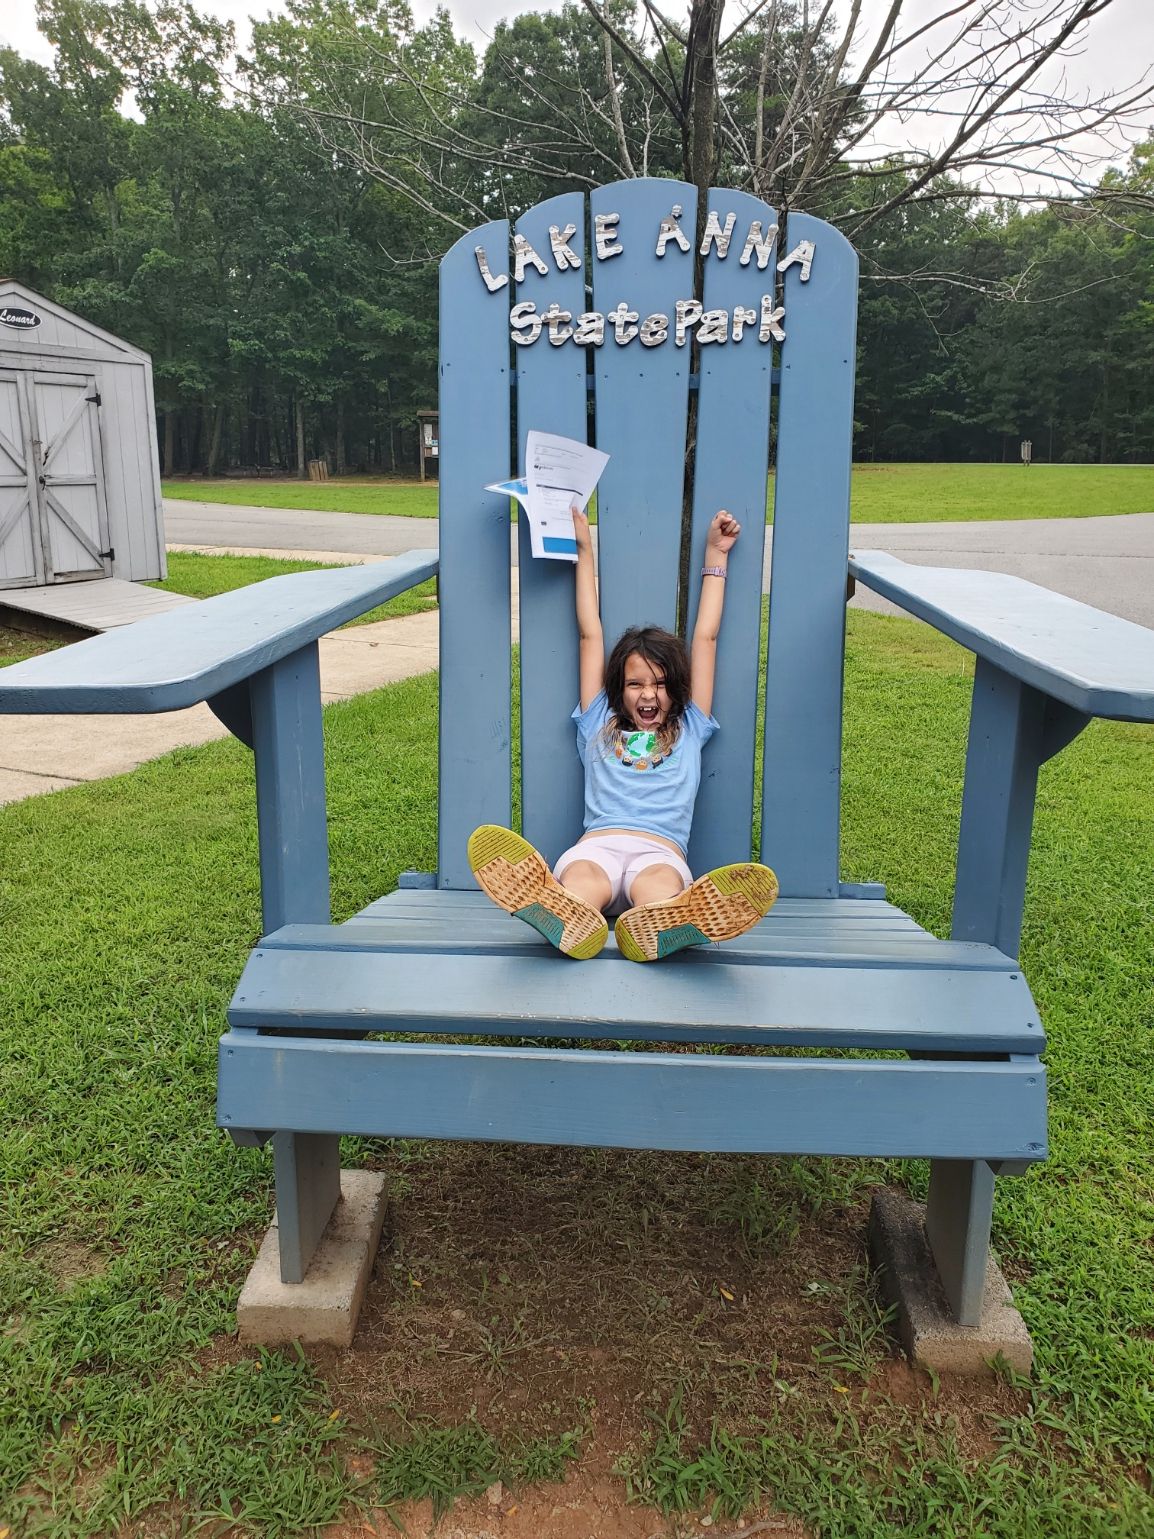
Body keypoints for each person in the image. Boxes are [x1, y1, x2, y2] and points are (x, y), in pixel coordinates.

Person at [467, 506, 777, 961]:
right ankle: (565, 912)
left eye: (660, 683)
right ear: (618, 688)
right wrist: (584, 548)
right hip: (598, 847)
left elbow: (706, 639)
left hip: (660, 853)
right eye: (635, 684)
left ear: (678, 687)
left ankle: (660, 923)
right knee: (583, 880)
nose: (648, 694)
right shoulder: (599, 720)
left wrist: (717, 555)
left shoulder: (690, 725)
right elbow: (589, 635)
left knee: (658, 887)